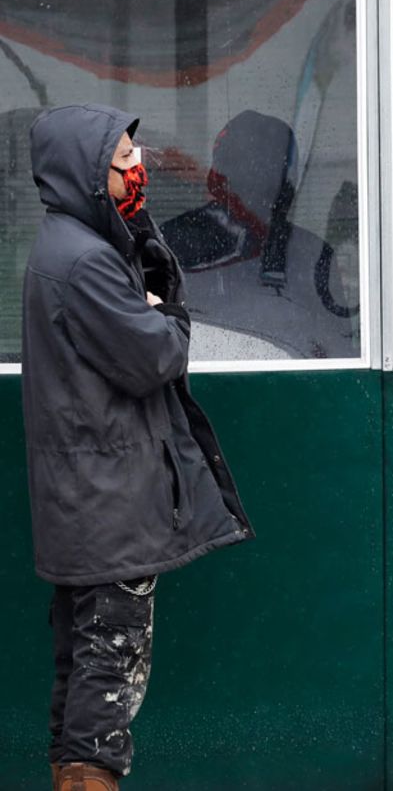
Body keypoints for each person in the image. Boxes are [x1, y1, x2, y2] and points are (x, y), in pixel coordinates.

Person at [22, 104, 253, 791]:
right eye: (122, 159)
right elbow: (154, 358)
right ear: (85, 171)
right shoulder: (85, 261)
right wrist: (168, 315)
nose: (137, 168)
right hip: (109, 510)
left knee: (85, 666)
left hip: (88, 504)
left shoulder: (68, 246)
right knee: (110, 670)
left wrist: (142, 256)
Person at [160, 110, 359, 360]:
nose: (260, 181)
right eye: (247, 165)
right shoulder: (171, 243)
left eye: (270, 168)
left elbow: (339, 356)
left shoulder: (312, 252)